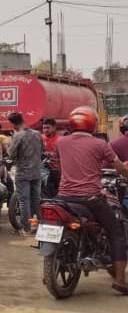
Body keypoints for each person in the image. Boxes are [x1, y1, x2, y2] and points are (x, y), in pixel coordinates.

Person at [55, 107, 128, 295]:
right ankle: (120, 280)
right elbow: (119, 167)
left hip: (63, 197)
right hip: (90, 199)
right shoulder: (100, 144)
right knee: (117, 231)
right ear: (93, 123)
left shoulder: (61, 142)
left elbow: (60, 166)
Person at [8, 112, 44, 236]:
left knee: (24, 201)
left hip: (23, 173)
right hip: (37, 171)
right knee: (36, 199)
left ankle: (27, 228)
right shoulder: (37, 134)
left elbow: (11, 154)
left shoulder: (18, 136)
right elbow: (42, 150)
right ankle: (41, 225)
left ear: (13, 124)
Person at [41, 118, 61, 197]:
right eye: (44, 128)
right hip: (42, 170)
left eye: (48, 128)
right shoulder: (40, 138)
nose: (45, 130)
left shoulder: (60, 140)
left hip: (57, 170)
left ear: (54, 128)